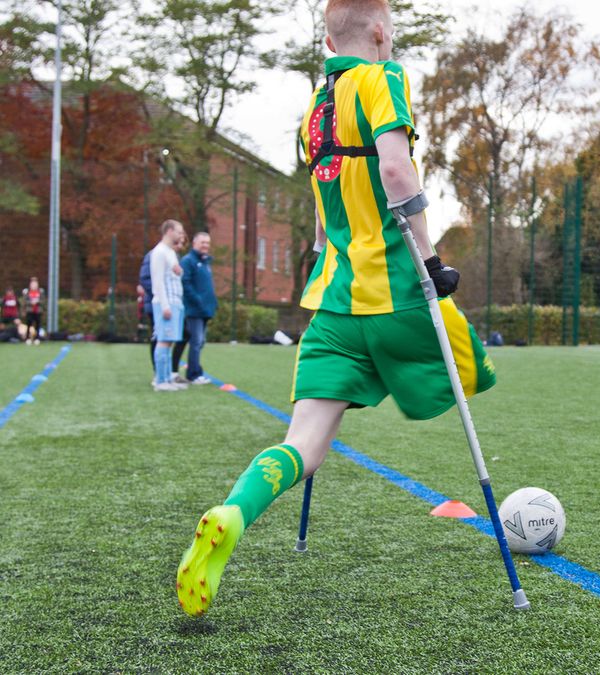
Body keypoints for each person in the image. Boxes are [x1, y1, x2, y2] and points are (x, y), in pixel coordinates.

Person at [175, 0, 494, 617]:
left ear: (327, 40)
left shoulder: (315, 110)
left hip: (332, 302)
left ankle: (233, 513)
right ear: (379, 32)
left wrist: (328, 257)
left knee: (304, 443)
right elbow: (396, 170)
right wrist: (431, 261)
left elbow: (323, 215)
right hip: (396, 293)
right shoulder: (383, 78)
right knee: (473, 369)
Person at [140, 247, 188, 380]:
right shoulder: (156, 253)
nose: (181, 243)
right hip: (159, 304)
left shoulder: (173, 255)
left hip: (173, 303)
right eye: (179, 239)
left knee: (177, 336)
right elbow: (145, 279)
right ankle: (159, 375)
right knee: (160, 338)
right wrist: (161, 298)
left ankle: (169, 373)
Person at [150, 220, 187, 391]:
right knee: (163, 341)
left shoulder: (170, 252)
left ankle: (167, 378)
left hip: (176, 302)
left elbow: (174, 275)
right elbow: (158, 281)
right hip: (166, 303)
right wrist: (165, 306)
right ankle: (160, 381)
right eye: (179, 232)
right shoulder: (159, 252)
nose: (181, 235)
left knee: (169, 342)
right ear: (169, 231)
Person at [181, 231, 217, 384]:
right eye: (203, 242)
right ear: (194, 243)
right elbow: (185, 283)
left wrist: (213, 303)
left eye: (207, 243)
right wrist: (197, 300)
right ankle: (193, 375)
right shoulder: (188, 261)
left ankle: (196, 371)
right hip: (194, 310)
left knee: (200, 342)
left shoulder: (206, 262)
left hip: (205, 310)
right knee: (196, 342)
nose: (205, 246)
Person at [23, 277, 43, 345]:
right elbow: (25, 301)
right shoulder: (27, 292)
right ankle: (28, 338)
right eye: (32, 284)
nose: (34, 286)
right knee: (29, 325)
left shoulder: (40, 292)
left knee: (38, 325)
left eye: (35, 284)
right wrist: (31, 302)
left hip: (37, 311)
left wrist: (37, 302)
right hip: (30, 311)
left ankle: (37, 338)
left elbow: (43, 300)